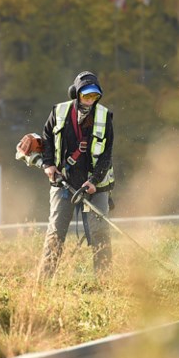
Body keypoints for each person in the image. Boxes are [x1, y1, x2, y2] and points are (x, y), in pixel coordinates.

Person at [38, 71, 115, 278]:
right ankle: (43, 282)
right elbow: (46, 138)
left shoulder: (104, 117)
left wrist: (94, 181)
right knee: (55, 233)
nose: (90, 101)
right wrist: (48, 164)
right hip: (63, 183)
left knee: (100, 234)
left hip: (95, 186)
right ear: (76, 94)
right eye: (86, 96)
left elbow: (107, 155)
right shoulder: (59, 111)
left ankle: (105, 282)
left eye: (94, 96)